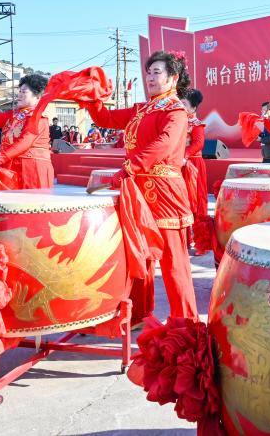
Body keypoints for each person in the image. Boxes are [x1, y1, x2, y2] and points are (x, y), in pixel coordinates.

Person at [83, 51, 198, 321]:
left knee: (173, 263)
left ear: (173, 78)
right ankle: (137, 316)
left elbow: (165, 145)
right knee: (136, 256)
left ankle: (186, 324)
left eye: (157, 72)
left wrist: (129, 167)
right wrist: (92, 96)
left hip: (165, 192)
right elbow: (105, 120)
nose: (150, 78)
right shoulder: (142, 109)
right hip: (137, 191)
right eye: (148, 72)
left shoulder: (176, 110)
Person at [0, 74, 54, 189]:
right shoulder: (13, 115)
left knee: (30, 204)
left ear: (37, 97)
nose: (19, 95)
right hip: (11, 165)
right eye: (19, 91)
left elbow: (24, 143)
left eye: (24, 92)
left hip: (32, 168)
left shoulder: (38, 117)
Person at [181, 88, 211, 251]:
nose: (181, 106)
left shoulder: (197, 124)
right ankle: (185, 240)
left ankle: (202, 243)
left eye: (184, 103)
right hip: (180, 164)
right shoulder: (177, 121)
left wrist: (185, 155)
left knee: (198, 203)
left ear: (193, 108)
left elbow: (198, 143)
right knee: (181, 203)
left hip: (193, 166)